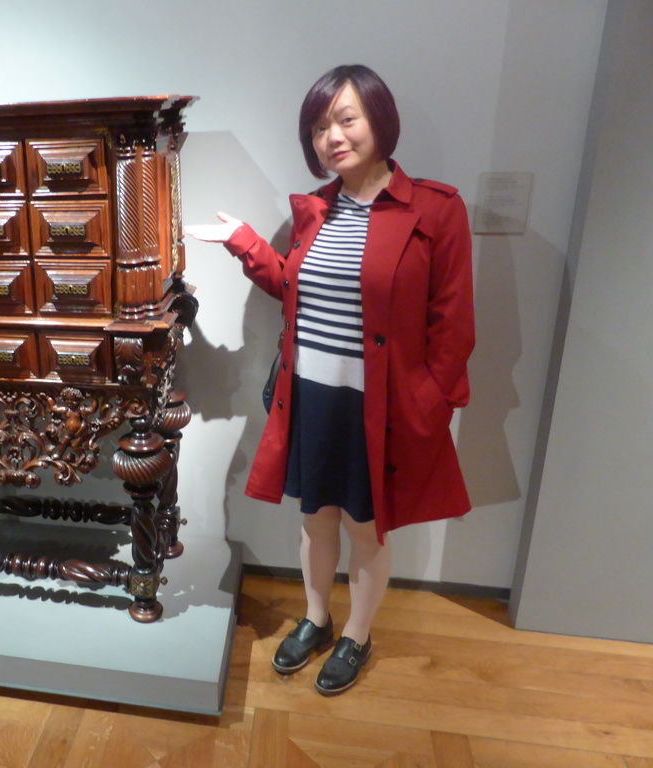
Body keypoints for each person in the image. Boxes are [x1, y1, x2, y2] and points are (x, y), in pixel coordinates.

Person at [185, 64, 474, 696]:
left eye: (345, 119)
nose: (331, 137)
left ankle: (358, 636)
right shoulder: (317, 211)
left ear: (379, 120)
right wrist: (243, 242)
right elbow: (294, 288)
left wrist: (435, 402)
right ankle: (317, 618)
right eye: (319, 126)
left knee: (365, 529)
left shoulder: (434, 210)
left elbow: (453, 322)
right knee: (316, 519)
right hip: (311, 395)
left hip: (379, 407)